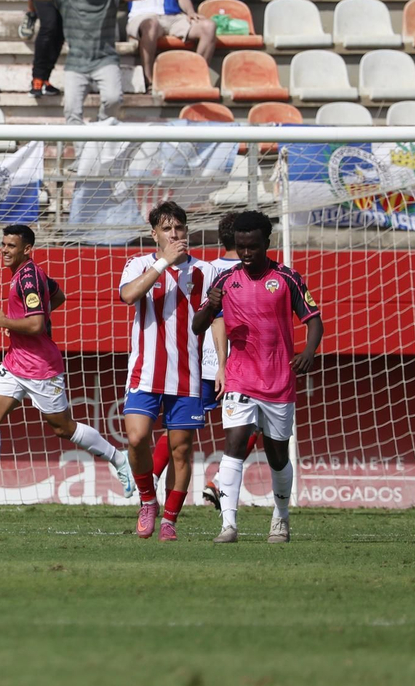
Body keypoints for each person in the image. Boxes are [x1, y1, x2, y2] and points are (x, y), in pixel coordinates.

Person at [0, 225, 135, 511]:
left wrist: (5, 322)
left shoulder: (29, 278)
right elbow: (57, 296)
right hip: (15, 362)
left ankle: (118, 458)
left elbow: (34, 324)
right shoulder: (30, 275)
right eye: (3, 244)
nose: (4, 250)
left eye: (11, 246)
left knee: (63, 428)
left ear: (27, 250)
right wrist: (28, 321)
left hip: (40, 367)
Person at [192, 210, 323, 544]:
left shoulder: (288, 278)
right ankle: (228, 524)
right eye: (240, 247)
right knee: (234, 447)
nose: (246, 253)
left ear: (266, 243)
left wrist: (308, 352)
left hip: (279, 379)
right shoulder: (224, 280)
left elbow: (313, 320)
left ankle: (280, 518)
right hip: (239, 377)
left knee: (278, 454)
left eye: (252, 246)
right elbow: (197, 326)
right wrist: (210, 305)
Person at [117, 202, 218, 541]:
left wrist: (222, 364)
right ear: (154, 234)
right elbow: (129, 296)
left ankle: (170, 520)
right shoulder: (140, 263)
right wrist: (163, 264)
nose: (175, 234)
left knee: (181, 450)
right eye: (167, 228)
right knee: (136, 438)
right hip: (145, 371)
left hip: (188, 373)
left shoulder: (205, 271)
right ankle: (148, 500)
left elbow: (217, 319)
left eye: (179, 228)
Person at [36, 0, 152, 123]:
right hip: (76, 62)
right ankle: (81, 149)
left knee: (114, 99)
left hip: (105, 60)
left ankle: (101, 128)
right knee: (71, 109)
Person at [198, 210, 243, 511]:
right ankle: (218, 481)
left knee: (182, 428)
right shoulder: (255, 273)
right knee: (251, 427)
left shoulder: (204, 269)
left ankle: (148, 485)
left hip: (202, 361)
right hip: (238, 365)